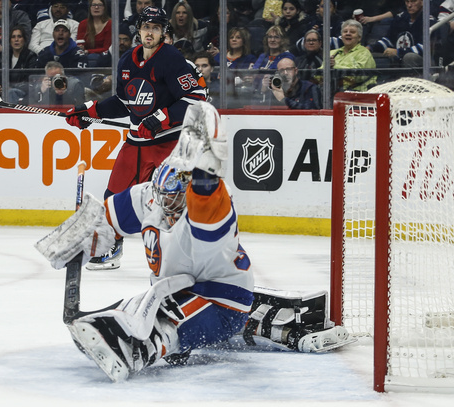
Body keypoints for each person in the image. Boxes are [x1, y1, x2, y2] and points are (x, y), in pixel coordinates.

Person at [35, 101, 353, 382]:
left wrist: (204, 163)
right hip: (176, 290)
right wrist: (77, 237)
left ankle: (138, 350)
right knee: (126, 312)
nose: (171, 205)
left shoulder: (210, 209)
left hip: (222, 300)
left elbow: (204, 192)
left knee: (161, 324)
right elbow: (107, 219)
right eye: (165, 198)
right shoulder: (149, 198)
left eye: (178, 196)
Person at [64, 6, 206, 270]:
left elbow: (196, 99)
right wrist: (90, 112)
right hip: (136, 143)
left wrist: (161, 118)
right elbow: (124, 102)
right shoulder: (128, 60)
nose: (149, 32)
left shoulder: (172, 59)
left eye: (155, 27)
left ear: (163, 32)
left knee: (171, 201)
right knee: (113, 197)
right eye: (146, 27)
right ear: (139, 30)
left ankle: (184, 255)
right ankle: (109, 249)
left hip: (168, 144)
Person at [368, 0, 435, 69]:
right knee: (369, 54)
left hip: (422, 63)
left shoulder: (429, 20)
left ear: (422, 2)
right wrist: (370, 48)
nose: (409, 5)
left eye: (413, 1)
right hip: (399, 59)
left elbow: (424, 48)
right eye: (407, 1)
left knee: (409, 57)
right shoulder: (400, 18)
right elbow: (389, 40)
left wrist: (398, 52)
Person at [327, 19, 376, 91]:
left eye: (352, 32)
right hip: (331, 92)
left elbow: (359, 76)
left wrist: (335, 66)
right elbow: (319, 75)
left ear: (359, 38)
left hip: (357, 94)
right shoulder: (332, 53)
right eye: (345, 31)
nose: (348, 33)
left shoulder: (364, 53)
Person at [4, 25, 37, 103]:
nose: (16, 40)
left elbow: (29, 81)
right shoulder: (4, 56)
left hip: (24, 92)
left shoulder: (31, 56)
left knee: (11, 93)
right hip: (6, 90)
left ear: (24, 40)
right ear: (10, 40)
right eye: (13, 37)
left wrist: (10, 87)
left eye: (19, 37)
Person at [76, 0, 111, 65]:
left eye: (100, 5)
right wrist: (83, 50)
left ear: (104, 8)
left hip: (105, 57)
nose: (96, 7)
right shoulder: (83, 24)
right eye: (94, 5)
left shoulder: (110, 24)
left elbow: (107, 48)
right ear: (90, 8)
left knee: (93, 57)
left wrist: (88, 51)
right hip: (85, 56)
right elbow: (80, 46)